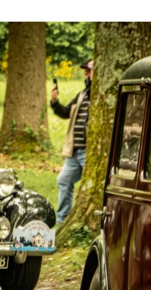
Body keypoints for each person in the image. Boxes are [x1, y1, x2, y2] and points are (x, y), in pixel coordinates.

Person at [50, 60, 93, 224]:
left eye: (89, 71)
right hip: (74, 151)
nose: (86, 74)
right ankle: (63, 220)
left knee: (90, 187)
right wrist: (55, 103)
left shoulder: (102, 96)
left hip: (90, 152)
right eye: (86, 71)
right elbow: (66, 112)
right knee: (63, 180)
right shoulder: (82, 94)